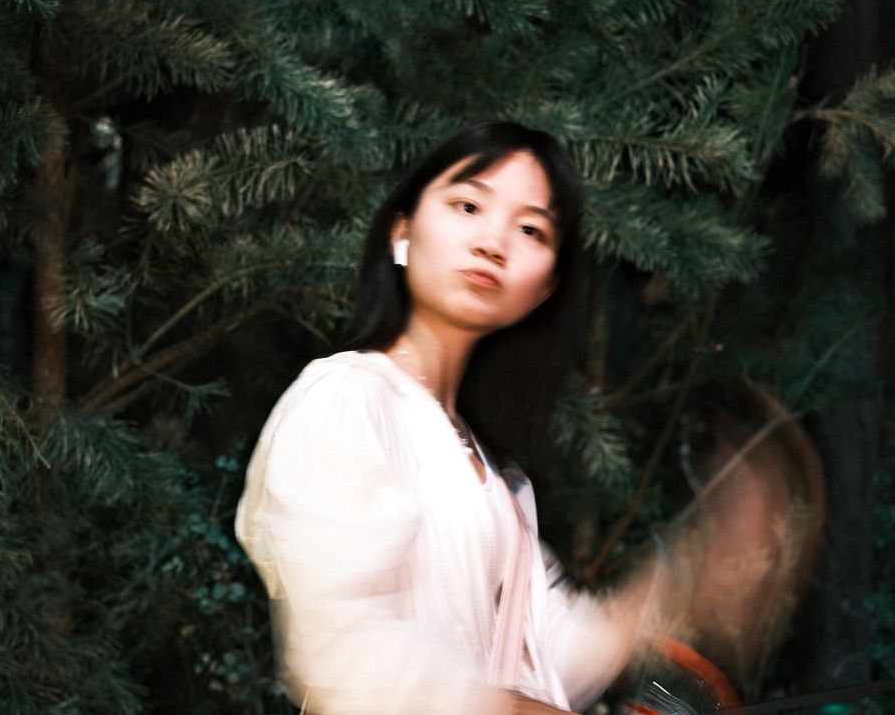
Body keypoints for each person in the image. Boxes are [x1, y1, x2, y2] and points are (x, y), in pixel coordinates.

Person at [234, 120, 822, 714]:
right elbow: (346, 658)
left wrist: (695, 572)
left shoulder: (496, 477)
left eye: (530, 230)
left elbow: (552, 652)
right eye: (468, 205)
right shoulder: (346, 399)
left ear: (543, 289)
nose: (493, 242)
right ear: (401, 233)